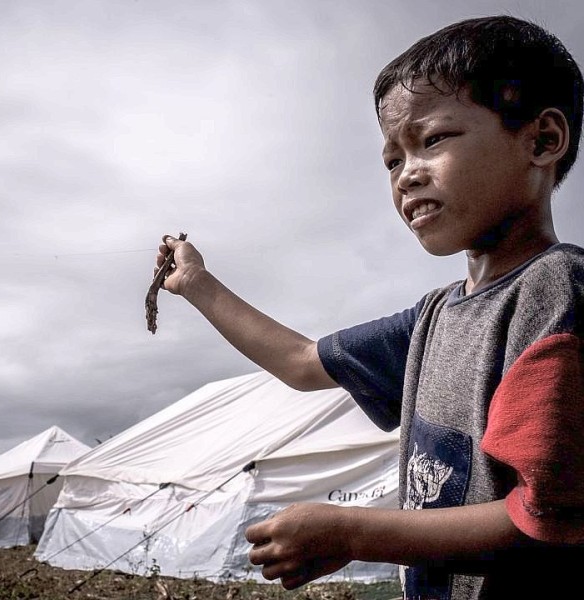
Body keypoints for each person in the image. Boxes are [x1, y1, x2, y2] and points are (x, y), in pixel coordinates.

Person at [153, 15, 584, 600]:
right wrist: (197, 282)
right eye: (391, 159)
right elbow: (303, 363)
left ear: (541, 140)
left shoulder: (554, 292)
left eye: (432, 140)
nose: (407, 175)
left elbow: (548, 521)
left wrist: (355, 532)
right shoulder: (433, 319)